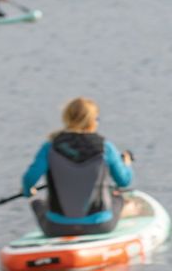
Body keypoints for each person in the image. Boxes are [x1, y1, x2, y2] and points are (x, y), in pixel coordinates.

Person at [21, 97, 142, 237]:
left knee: (37, 202)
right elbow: (124, 181)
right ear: (92, 121)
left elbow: (29, 179)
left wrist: (27, 191)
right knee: (117, 197)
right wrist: (126, 163)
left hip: (56, 228)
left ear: (67, 118)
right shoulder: (105, 147)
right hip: (100, 226)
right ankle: (128, 211)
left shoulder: (49, 147)